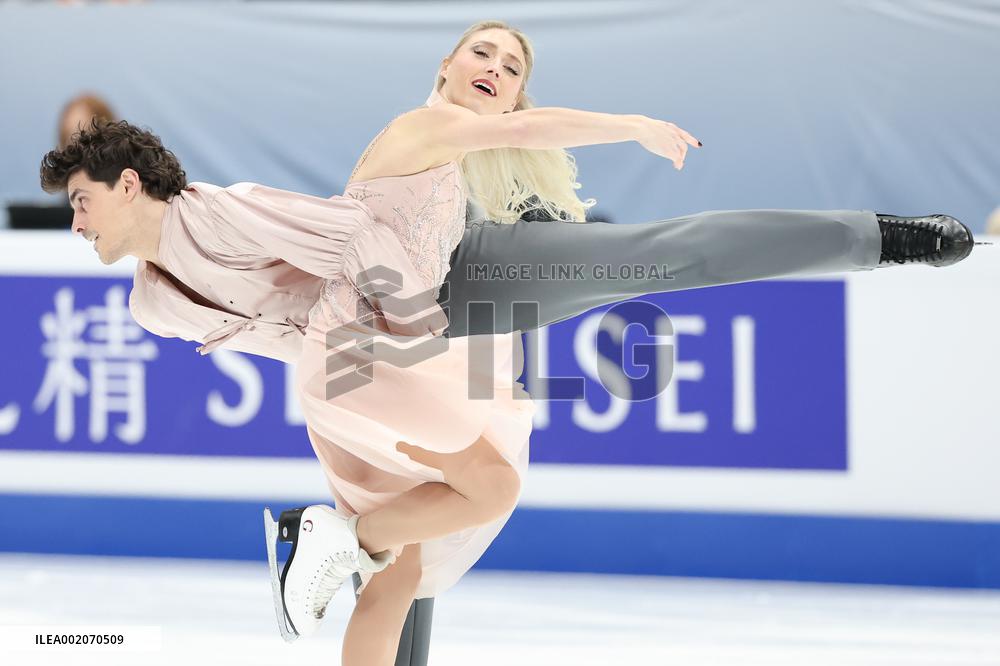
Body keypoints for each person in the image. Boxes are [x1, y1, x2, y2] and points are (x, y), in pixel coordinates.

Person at [39, 20, 977, 666]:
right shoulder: (409, 133)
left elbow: (361, 236)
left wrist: (629, 128)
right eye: (479, 52)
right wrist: (363, 348)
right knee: (402, 558)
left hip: (445, 299)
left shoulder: (426, 143)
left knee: (660, 258)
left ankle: (881, 237)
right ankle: (336, 541)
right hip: (366, 351)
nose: (495, 65)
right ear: (445, 70)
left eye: (512, 62)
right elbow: (297, 305)